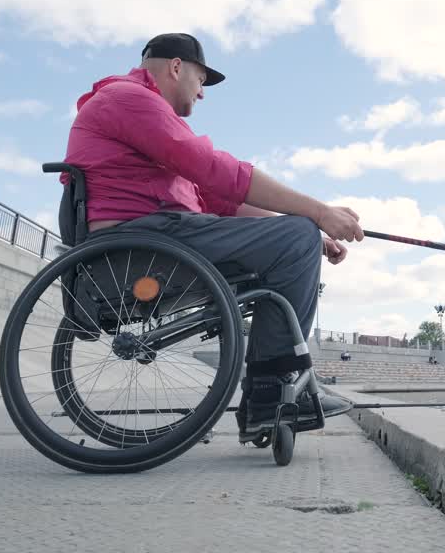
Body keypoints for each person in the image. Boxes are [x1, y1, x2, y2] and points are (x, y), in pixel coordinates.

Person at [62, 33, 363, 443]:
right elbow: (216, 170)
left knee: (296, 238)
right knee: (297, 237)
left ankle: (268, 392)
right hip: (141, 246)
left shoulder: (141, 115)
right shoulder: (129, 99)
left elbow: (218, 200)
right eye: (201, 80)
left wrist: (309, 233)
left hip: (154, 240)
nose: (201, 93)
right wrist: (317, 213)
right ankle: (270, 391)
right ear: (176, 68)